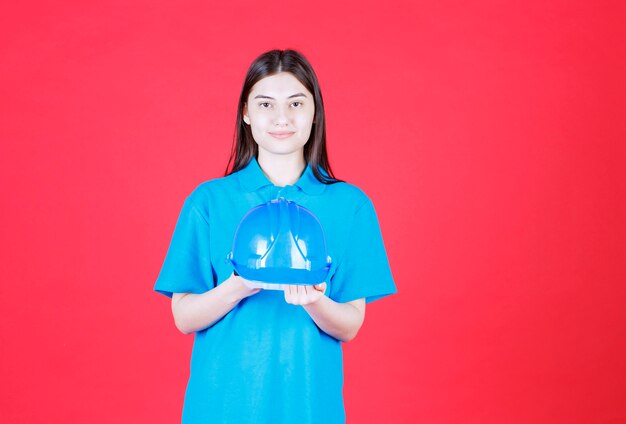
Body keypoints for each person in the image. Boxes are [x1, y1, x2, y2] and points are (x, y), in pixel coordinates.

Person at [154, 49, 397, 423]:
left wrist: (314, 301)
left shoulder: (351, 205)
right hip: (220, 407)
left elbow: (351, 324)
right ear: (246, 113)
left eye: (296, 103)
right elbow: (183, 317)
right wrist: (239, 285)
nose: (282, 118)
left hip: (310, 407)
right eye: (265, 104)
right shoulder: (208, 201)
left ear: (315, 112)